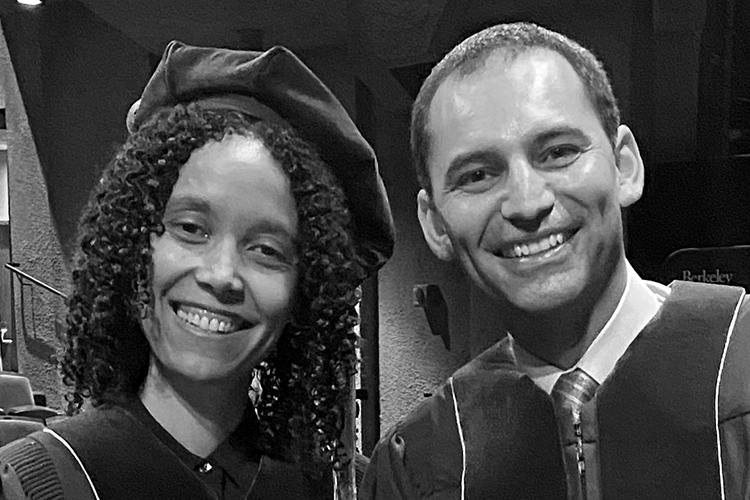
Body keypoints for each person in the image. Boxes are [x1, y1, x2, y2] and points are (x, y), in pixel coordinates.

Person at [362, 21, 750, 500]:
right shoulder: (423, 458)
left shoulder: (741, 363)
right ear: (435, 223)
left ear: (624, 166)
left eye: (559, 152)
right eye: (478, 174)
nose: (526, 203)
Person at [0, 40, 394, 500]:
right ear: (131, 246)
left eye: (266, 250)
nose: (222, 274)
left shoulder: (343, 490)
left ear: (301, 293)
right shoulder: (34, 483)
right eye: (191, 228)